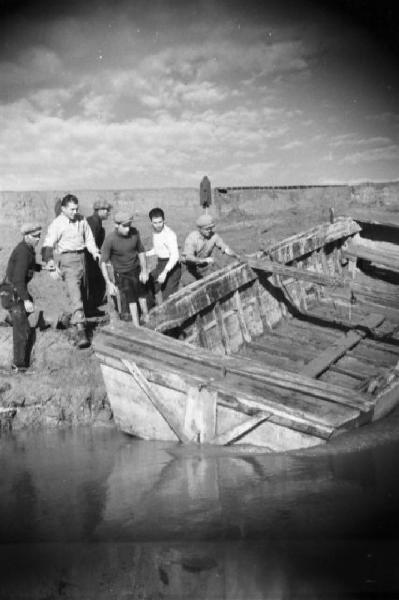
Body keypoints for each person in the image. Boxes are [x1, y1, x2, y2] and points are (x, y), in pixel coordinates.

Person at [41, 194, 101, 348]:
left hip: (82, 258)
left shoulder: (82, 220)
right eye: (72, 209)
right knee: (75, 294)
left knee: (82, 291)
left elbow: (89, 239)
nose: (75, 211)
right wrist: (51, 265)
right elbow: (47, 245)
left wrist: (94, 252)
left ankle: (68, 320)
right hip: (67, 260)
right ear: (63, 209)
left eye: (76, 208)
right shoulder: (57, 224)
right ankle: (81, 332)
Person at [2, 223, 42, 372]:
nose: (38, 239)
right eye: (35, 236)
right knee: (22, 329)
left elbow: (28, 265)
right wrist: (25, 300)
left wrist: (43, 267)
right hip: (12, 294)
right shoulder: (23, 252)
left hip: (13, 291)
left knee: (28, 307)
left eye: (39, 236)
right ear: (26, 236)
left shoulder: (27, 249)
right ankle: (19, 365)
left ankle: (11, 319)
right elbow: (19, 279)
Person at [101, 211, 149, 321]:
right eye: (124, 226)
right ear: (116, 225)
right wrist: (108, 282)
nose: (128, 229)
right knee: (131, 298)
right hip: (122, 273)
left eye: (129, 225)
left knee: (142, 295)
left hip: (136, 269)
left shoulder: (134, 233)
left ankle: (147, 318)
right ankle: (136, 325)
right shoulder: (110, 239)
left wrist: (144, 270)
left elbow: (141, 251)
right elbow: (103, 262)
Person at [182, 214, 240, 282]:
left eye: (211, 228)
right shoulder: (192, 238)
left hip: (204, 269)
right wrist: (205, 260)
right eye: (207, 229)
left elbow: (225, 248)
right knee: (190, 287)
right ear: (200, 228)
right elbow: (188, 257)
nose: (209, 230)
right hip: (189, 269)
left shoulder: (214, 236)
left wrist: (236, 256)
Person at [146, 207, 181, 307]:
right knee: (148, 285)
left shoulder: (169, 234)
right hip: (161, 264)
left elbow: (175, 255)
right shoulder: (155, 232)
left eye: (160, 222)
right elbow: (157, 249)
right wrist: (144, 254)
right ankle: (153, 311)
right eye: (155, 222)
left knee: (168, 296)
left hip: (172, 266)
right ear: (151, 222)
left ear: (164, 220)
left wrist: (165, 272)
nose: (158, 225)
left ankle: (173, 317)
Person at [84, 199, 112, 316]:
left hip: (92, 257)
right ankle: (91, 309)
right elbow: (91, 241)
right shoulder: (93, 222)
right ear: (97, 210)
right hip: (89, 258)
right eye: (104, 210)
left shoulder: (97, 221)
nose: (107, 212)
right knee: (94, 282)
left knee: (97, 282)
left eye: (107, 210)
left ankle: (93, 306)